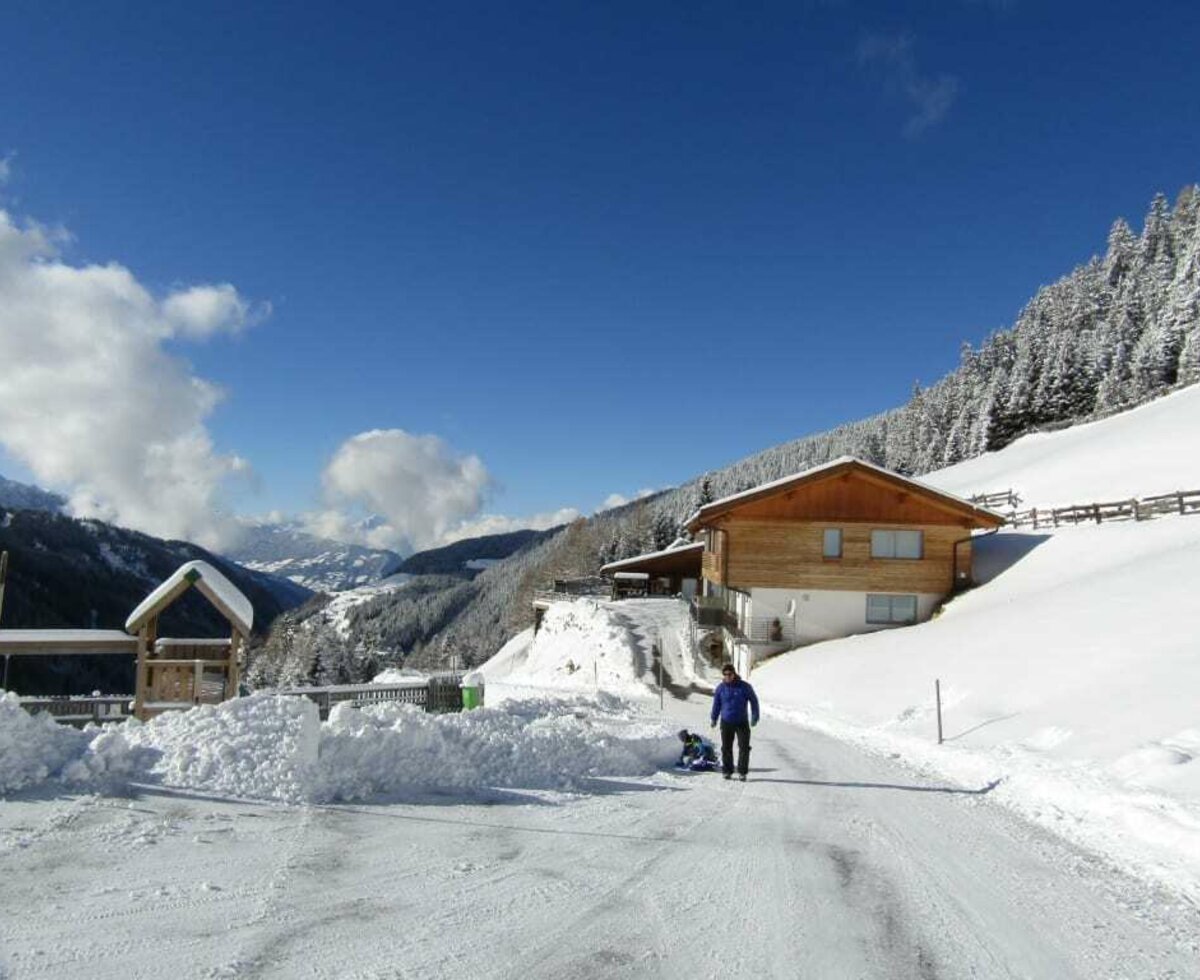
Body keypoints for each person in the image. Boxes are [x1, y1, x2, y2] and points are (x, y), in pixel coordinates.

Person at [710, 663, 760, 781]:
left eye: (730, 674)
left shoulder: (745, 687)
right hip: (726, 722)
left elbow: (754, 701)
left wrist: (755, 716)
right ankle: (727, 771)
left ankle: (742, 772)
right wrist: (714, 718)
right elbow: (716, 704)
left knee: (744, 748)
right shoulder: (720, 688)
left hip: (742, 722)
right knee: (726, 748)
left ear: (734, 674)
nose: (727, 676)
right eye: (725, 674)